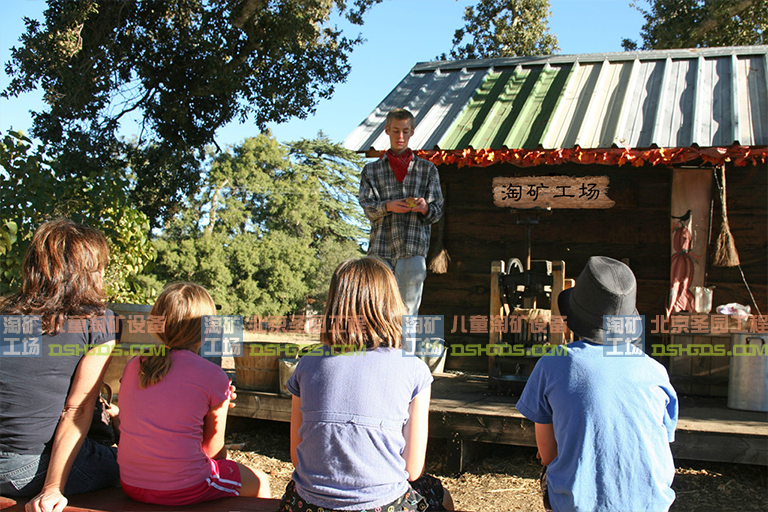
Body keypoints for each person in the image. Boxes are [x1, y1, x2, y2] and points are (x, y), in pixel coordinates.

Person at [279, 257, 453, 512]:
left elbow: (297, 457)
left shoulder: (308, 364)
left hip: (307, 504)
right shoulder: (415, 369)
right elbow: (413, 469)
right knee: (441, 495)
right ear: (392, 304)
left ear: (335, 303)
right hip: (381, 506)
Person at [516, 256, 678, 512]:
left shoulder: (554, 363)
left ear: (573, 316)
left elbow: (547, 455)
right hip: (652, 504)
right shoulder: (655, 371)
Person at [0, 218, 120, 512]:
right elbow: (76, 409)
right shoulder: (99, 321)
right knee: (135, 467)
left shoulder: (6, 314)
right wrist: (53, 488)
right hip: (27, 469)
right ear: (89, 273)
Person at [116, 282, 270, 505]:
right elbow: (214, 453)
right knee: (260, 481)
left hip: (131, 483)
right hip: (184, 487)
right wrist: (219, 405)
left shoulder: (133, 365)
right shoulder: (213, 375)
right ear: (207, 328)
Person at [358, 108, 443, 317]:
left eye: (405, 131)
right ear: (387, 130)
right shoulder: (371, 171)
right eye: (395, 131)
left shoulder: (428, 170)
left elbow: (437, 211)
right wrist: (388, 206)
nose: (400, 136)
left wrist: (424, 208)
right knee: (376, 310)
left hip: (413, 249)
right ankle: (378, 350)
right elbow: (367, 206)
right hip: (380, 249)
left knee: (409, 312)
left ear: (412, 131)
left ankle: (405, 351)